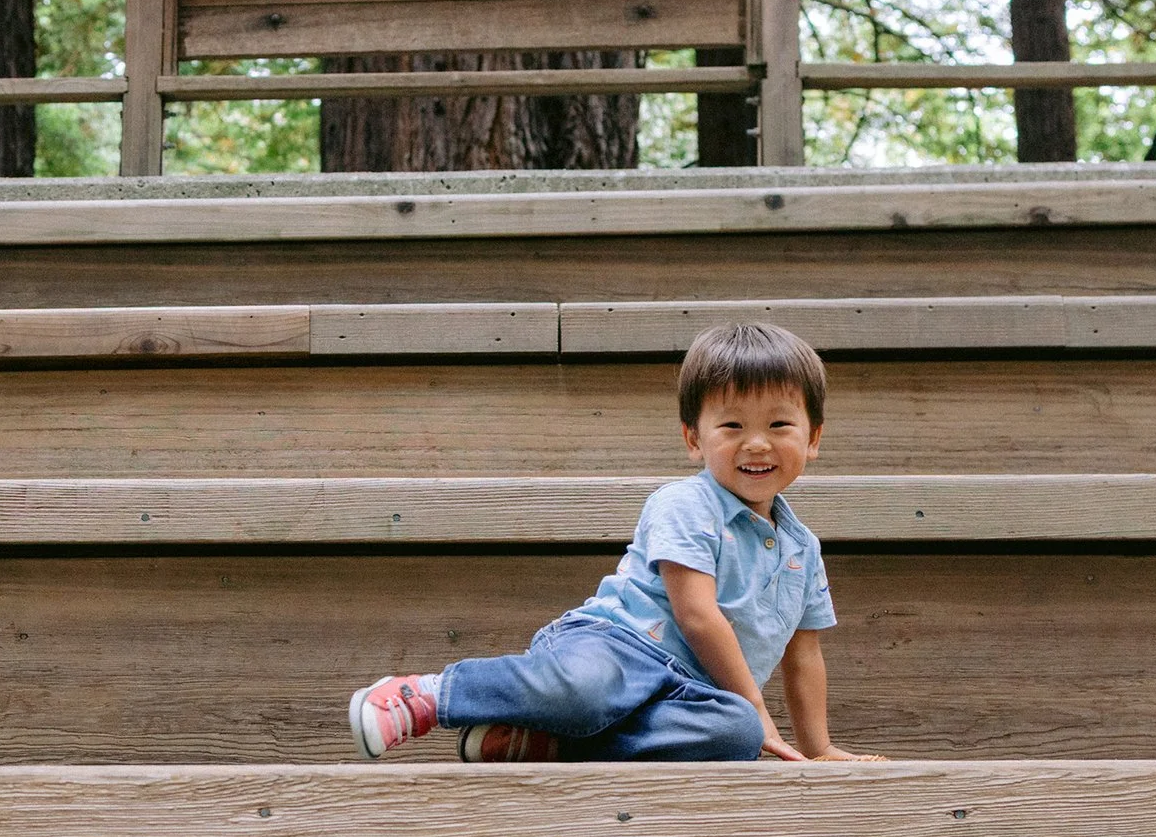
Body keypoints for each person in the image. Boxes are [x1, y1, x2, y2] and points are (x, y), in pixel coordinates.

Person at [349, 322, 879, 763]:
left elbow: (803, 655)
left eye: (780, 424)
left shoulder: (802, 549)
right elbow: (697, 616)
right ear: (694, 439)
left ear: (813, 438)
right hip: (617, 647)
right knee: (589, 691)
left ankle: (550, 745)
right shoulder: (685, 504)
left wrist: (817, 749)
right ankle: (427, 696)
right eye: (733, 425)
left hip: (692, 693)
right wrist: (760, 709)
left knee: (735, 734)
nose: (757, 443)